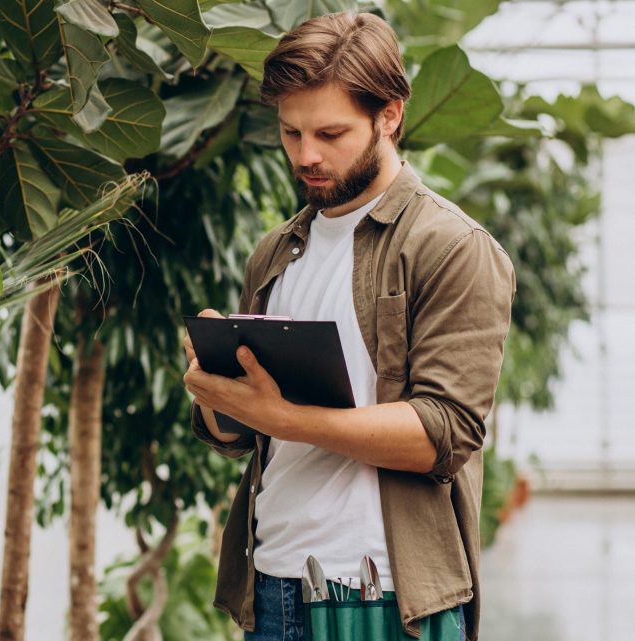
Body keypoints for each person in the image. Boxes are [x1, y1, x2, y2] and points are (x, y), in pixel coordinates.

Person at [181, 11, 515, 641]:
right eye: (291, 133)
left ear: (389, 115)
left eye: (331, 133)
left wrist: (285, 418)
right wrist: (218, 389)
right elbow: (246, 438)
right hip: (274, 586)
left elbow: (444, 432)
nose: (306, 155)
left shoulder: (451, 246)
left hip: (387, 594)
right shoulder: (276, 252)